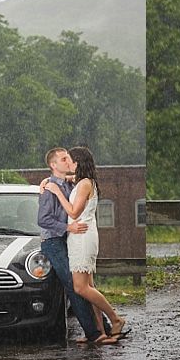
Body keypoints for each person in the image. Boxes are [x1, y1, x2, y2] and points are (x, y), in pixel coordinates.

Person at [42, 146, 128, 345]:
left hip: (82, 236)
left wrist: (56, 192)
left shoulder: (84, 185)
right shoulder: (81, 182)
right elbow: (65, 180)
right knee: (89, 286)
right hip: (79, 236)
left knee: (81, 288)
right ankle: (99, 331)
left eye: (70, 159)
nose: (68, 163)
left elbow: (73, 212)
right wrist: (49, 181)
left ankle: (115, 319)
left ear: (77, 162)